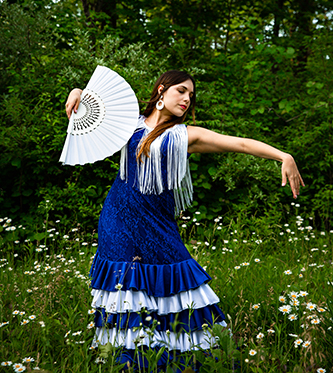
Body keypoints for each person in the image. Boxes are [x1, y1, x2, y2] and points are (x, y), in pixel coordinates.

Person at [65, 70, 304, 371]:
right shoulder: (129, 124)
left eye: (191, 95)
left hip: (158, 223)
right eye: (181, 91)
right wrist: (77, 92)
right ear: (161, 92)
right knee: (125, 292)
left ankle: (188, 360)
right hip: (119, 220)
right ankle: (125, 363)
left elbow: (240, 144)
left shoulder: (185, 135)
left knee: (182, 286)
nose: (187, 99)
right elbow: (89, 109)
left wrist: (283, 156)